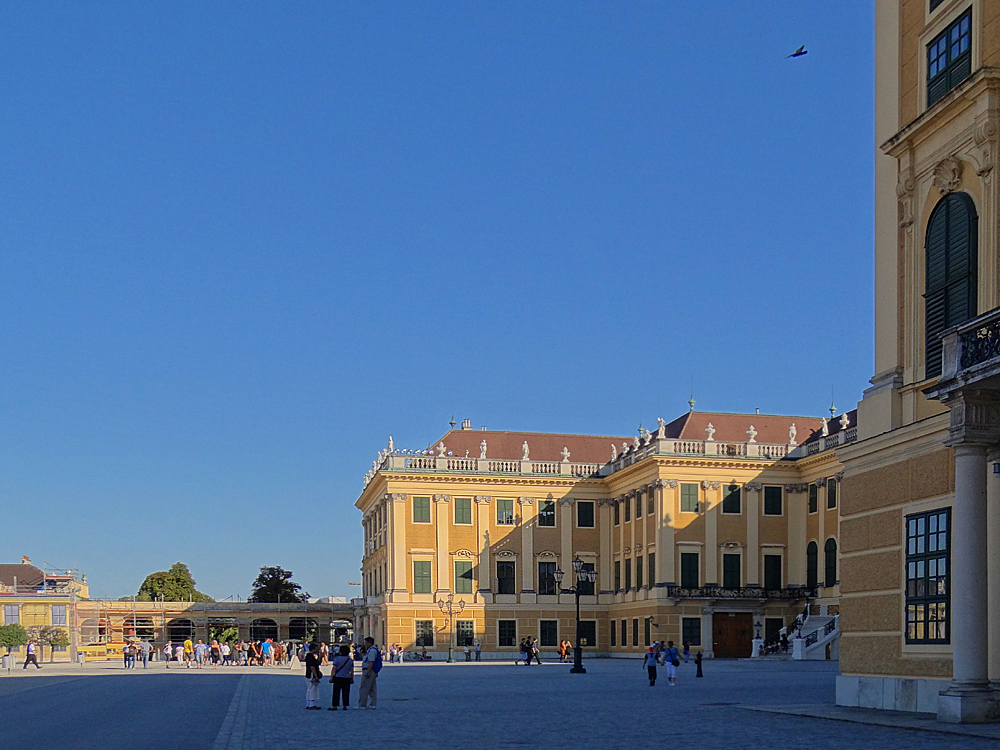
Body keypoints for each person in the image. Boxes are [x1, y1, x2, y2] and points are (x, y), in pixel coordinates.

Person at [328, 644, 354, 710]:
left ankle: (335, 705)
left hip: (338, 677)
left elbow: (334, 668)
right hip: (347, 677)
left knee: (336, 691)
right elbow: (352, 671)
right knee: (346, 692)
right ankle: (345, 705)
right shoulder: (350, 660)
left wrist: (331, 677)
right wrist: (352, 678)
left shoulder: (337, 659)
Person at [358, 636, 380, 710]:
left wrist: (368, 671)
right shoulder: (371, 650)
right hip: (372, 671)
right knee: (372, 688)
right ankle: (373, 704)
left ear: (369, 643)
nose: (364, 645)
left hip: (369, 671)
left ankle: (362, 704)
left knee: (364, 688)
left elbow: (371, 662)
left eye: (365, 643)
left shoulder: (371, 651)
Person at [304, 643, 322, 710]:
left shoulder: (309, 656)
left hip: (308, 674)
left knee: (309, 689)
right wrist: (316, 676)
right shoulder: (310, 657)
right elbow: (312, 667)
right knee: (313, 689)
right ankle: (312, 704)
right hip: (312, 674)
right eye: (317, 648)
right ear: (313, 648)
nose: (318, 649)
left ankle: (308, 703)